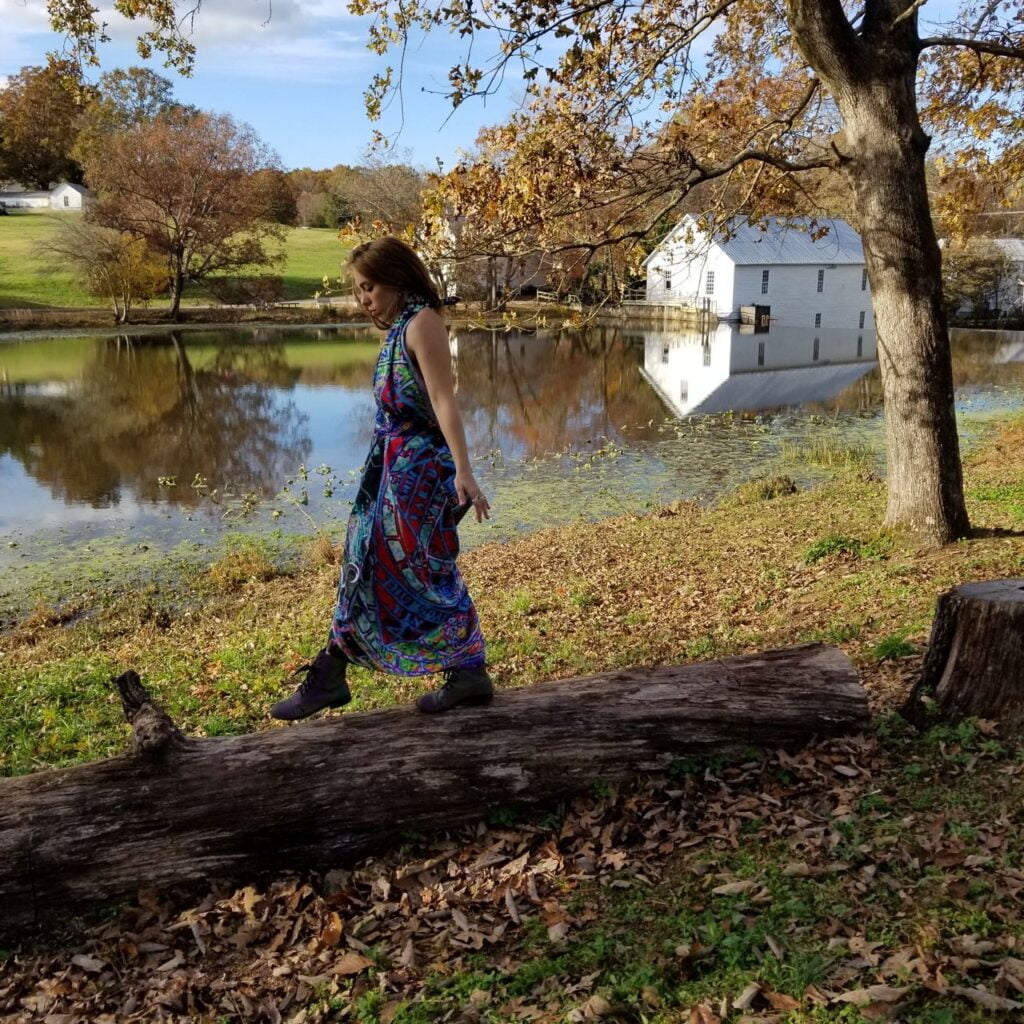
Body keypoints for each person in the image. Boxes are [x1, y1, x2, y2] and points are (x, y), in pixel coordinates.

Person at [271, 237, 493, 720]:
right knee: (362, 561)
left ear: (396, 278)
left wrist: (464, 470)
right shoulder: (398, 329)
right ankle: (332, 671)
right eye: (358, 290)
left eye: (369, 287)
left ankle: (468, 668)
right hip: (390, 472)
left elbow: (444, 400)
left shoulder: (423, 323)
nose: (363, 299)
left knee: (423, 574)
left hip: (420, 474)